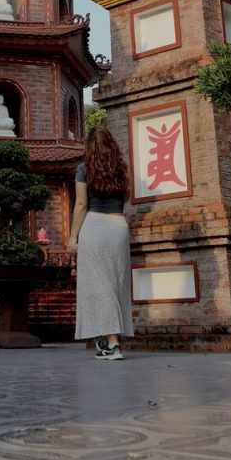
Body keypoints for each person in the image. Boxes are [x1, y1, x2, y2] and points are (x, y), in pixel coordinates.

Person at [67, 126, 133, 360]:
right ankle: (105, 338)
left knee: (100, 285)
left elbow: (81, 204)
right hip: (118, 227)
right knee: (115, 283)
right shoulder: (122, 169)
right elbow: (126, 197)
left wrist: (73, 236)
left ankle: (113, 344)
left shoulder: (84, 170)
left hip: (94, 226)